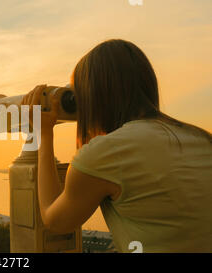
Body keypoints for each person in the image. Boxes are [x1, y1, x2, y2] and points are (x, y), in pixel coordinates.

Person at [21, 39, 212, 253]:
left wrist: (44, 133)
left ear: (93, 95)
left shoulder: (105, 153)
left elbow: (54, 220)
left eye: (77, 95)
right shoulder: (201, 139)